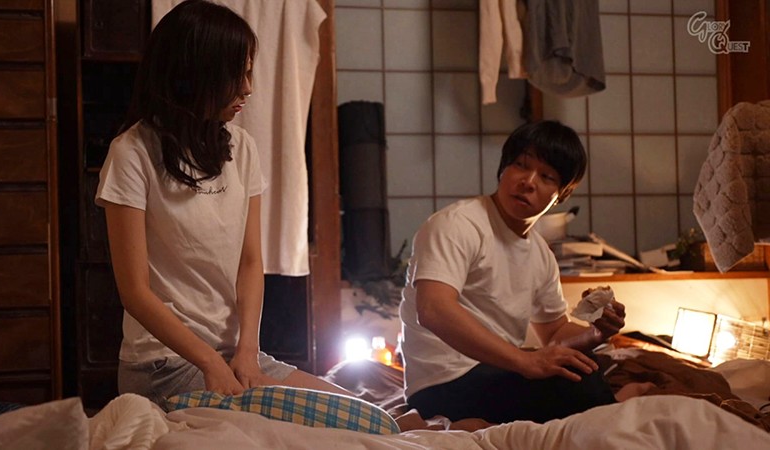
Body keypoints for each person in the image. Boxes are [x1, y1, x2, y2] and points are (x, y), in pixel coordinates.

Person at [95, 0, 349, 408]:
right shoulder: (132, 153)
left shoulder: (242, 149)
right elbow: (135, 292)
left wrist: (247, 352)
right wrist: (210, 362)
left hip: (233, 356)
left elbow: (250, 262)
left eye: (249, 72)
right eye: (237, 74)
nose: (248, 88)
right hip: (163, 364)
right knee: (323, 427)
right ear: (195, 74)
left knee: (364, 415)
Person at [399, 120, 641, 425]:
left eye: (546, 176)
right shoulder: (457, 224)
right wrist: (525, 361)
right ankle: (617, 410)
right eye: (521, 165)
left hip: (497, 371)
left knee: (583, 364)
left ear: (561, 194)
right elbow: (433, 309)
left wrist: (596, 332)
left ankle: (611, 410)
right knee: (574, 381)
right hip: (440, 384)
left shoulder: (540, 253)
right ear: (503, 169)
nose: (528, 181)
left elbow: (553, 333)